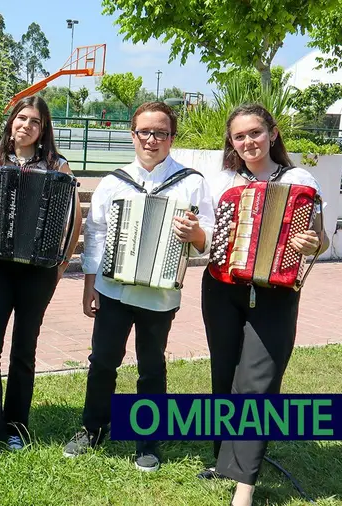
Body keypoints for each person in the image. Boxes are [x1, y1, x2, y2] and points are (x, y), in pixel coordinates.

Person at [61, 102, 214, 472]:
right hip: (113, 291)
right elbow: (94, 235)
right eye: (144, 132)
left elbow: (209, 237)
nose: (151, 139)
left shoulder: (192, 182)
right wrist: (90, 283)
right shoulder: (115, 181)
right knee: (102, 362)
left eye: (160, 132)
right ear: (132, 136)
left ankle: (148, 441)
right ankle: (93, 427)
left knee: (151, 367)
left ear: (171, 138)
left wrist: (196, 234)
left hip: (160, 296)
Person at [199, 104, 328, 506]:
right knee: (225, 374)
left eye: (255, 133)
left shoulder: (299, 179)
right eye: (239, 137)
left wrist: (312, 244)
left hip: (276, 292)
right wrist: (198, 236)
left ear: (272, 133)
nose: (248, 142)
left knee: (259, 382)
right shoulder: (221, 181)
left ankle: (245, 486)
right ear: (231, 142)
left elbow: (321, 239)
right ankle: (224, 459)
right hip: (221, 287)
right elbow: (207, 237)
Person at [0, 96, 82, 460]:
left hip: (38, 271)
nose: (26, 126)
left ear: (43, 130)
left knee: (24, 350)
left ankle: (16, 428)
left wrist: (61, 264)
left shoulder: (59, 166)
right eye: (21, 118)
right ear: (11, 122)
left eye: (35, 121)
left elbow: (72, 221)